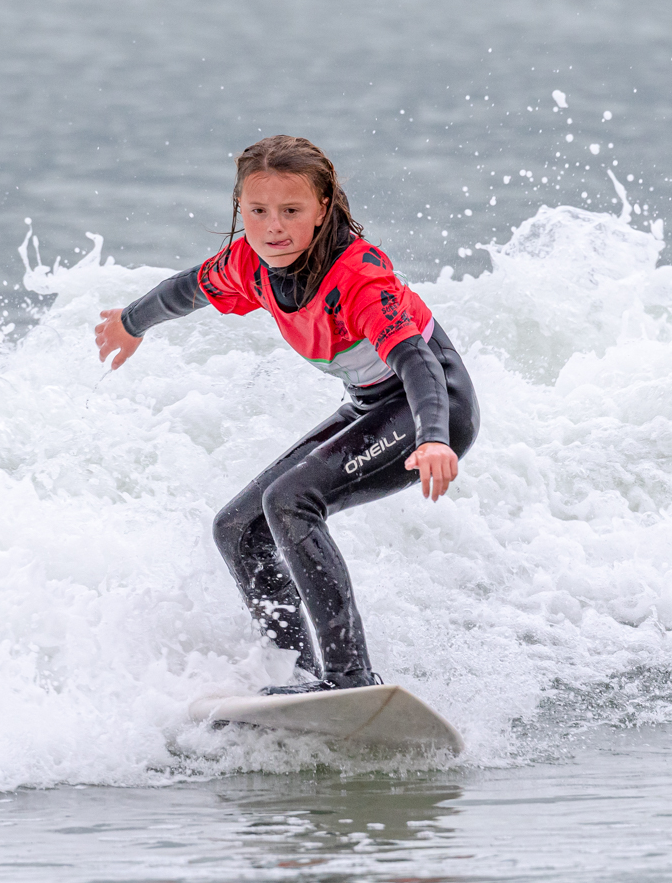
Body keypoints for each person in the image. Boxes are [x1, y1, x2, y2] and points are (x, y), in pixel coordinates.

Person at [94, 135, 479, 695]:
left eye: (292, 211)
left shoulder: (359, 277)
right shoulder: (249, 263)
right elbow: (184, 290)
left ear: (323, 208)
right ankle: (292, 677)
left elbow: (417, 362)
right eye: (258, 211)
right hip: (370, 405)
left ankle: (349, 680)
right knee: (237, 528)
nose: (273, 227)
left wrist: (435, 437)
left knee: (291, 502)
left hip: (430, 408)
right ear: (240, 207)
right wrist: (130, 323)